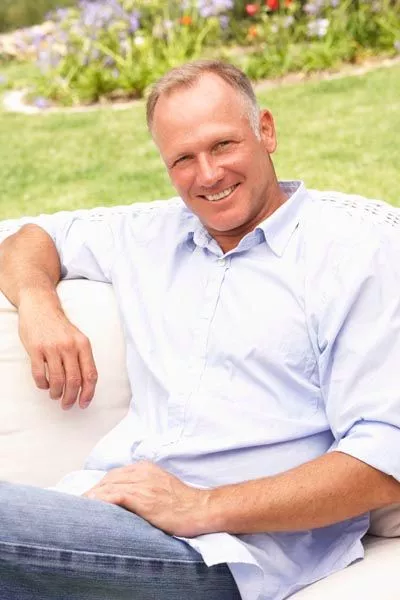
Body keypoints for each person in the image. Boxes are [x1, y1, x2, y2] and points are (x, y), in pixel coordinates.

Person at [0, 59, 400, 600]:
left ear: (266, 130)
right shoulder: (150, 233)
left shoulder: (357, 252)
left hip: (227, 548)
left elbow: (385, 457)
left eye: (223, 146)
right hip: (98, 511)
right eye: (183, 158)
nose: (207, 175)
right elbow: (30, 238)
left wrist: (202, 507)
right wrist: (37, 304)